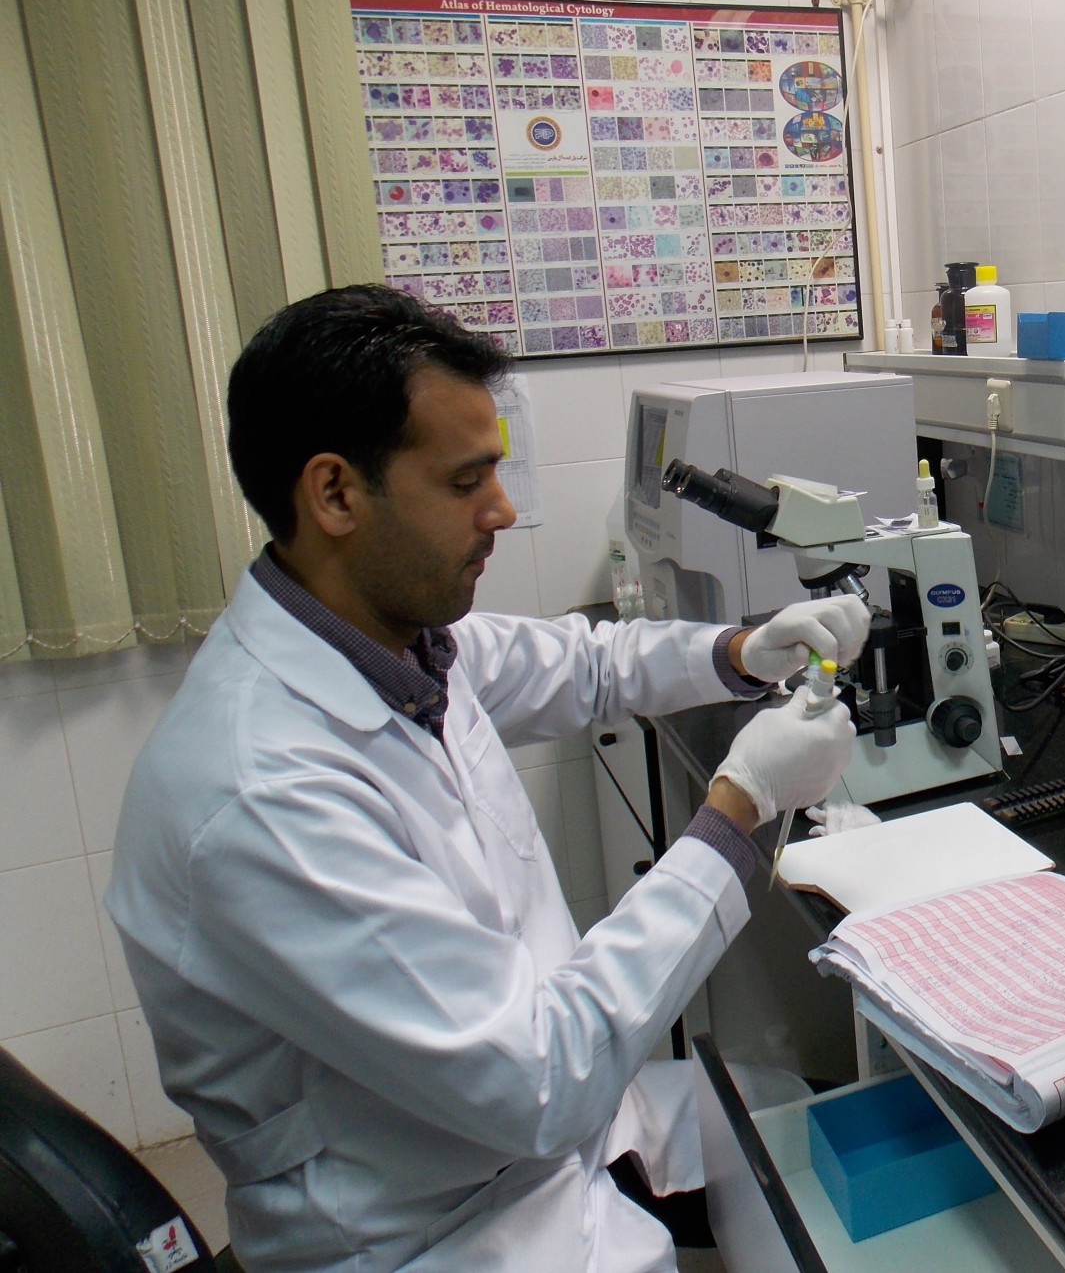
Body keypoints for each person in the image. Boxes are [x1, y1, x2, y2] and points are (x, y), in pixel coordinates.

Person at [107, 287, 870, 1272]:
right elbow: (540, 1082)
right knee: (809, 1216)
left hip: (528, 1135)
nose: (502, 510)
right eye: (467, 481)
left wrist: (740, 650)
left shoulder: (392, 644)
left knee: (797, 1121)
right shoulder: (260, 791)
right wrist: (739, 809)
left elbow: (580, 665)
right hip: (433, 1225)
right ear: (334, 494)